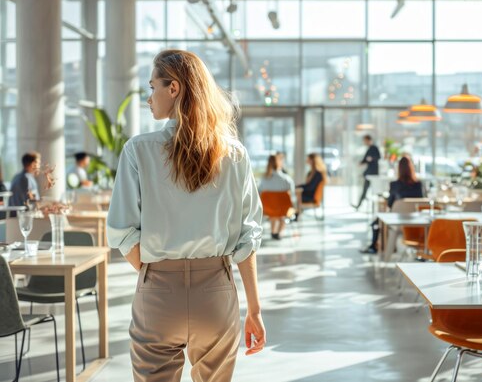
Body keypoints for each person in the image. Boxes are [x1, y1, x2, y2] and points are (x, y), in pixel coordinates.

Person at [107, 50, 265, 382]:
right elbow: (247, 237)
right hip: (217, 292)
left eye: (153, 88)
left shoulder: (137, 150)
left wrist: (158, 275)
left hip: (159, 292)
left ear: (174, 88)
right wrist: (254, 310)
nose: (150, 98)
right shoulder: (234, 153)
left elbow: (122, 231)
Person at [361, 156, 423, 254]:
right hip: (417, 223)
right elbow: (422, 202)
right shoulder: (418, 184)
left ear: (399, 169)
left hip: (398, 222)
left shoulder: (394, 184)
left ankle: (374, 246)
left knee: (377, 221)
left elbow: (389, 205)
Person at [258, 154, 295, 240]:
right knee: (282, 214)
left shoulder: (263, 179)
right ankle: (279, 232)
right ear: (280, 163)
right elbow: (292, 196)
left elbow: (259, 194)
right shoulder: (287, 179)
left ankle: (273, 232)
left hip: (268, 208)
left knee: (273, 213)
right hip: (284, 209)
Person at [295, 153, 327, 219]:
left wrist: (297, 187)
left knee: (293, 197)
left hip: (311, 196)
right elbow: (308, 185)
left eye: (308, 159)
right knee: (293, 195)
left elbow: (310, 187)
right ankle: (296, 214)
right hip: (308, 194)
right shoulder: (311, 172)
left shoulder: (318, 173)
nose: (306, 161)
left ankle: (295, 214)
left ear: (312, 160)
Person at [353, 135, 381, 210]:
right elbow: (365, 159)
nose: (364, 142)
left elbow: (378, 157)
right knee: (365, 189)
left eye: (365, 140)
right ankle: (359, 205)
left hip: (374, 173)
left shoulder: (374, 148)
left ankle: (380, 206)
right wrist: (361, 163)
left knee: (377, 190)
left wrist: (371, 159)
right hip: (369, 173)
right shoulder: (369, 149)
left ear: (369, 140)